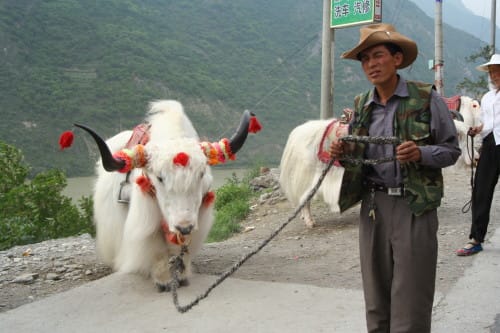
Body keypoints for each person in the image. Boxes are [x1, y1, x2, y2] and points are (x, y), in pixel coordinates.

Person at [329, 23, 461, 332]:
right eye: (365, 60)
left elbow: (451, 151)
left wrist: (421, 154)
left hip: (414, 207)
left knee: (411, 300)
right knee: (376, 299)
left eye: (378, 55)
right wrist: (344, 149)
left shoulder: (427, 98)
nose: (371, 65)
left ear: (397, 59)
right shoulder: (361, 106)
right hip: (373, 206)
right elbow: (357, 152)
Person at [456, 53, 500, 256]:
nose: (494, 75)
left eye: (497, 70)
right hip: (491, 145)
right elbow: (488, 124)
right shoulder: (487, 97)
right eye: (492, 72)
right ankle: (476, 238)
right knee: (480, 190)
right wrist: (477, 130)